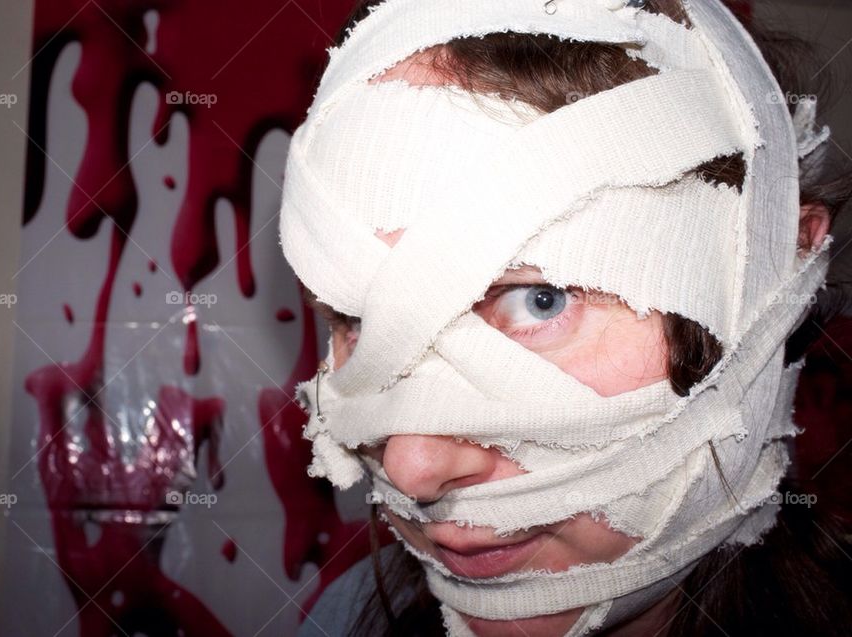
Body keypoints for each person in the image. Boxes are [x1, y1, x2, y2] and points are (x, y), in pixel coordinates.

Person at [279, 0, 852, 635]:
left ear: (780, 275)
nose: (414, 467)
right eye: (357, 321)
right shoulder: (340, 620)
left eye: (539, 299)